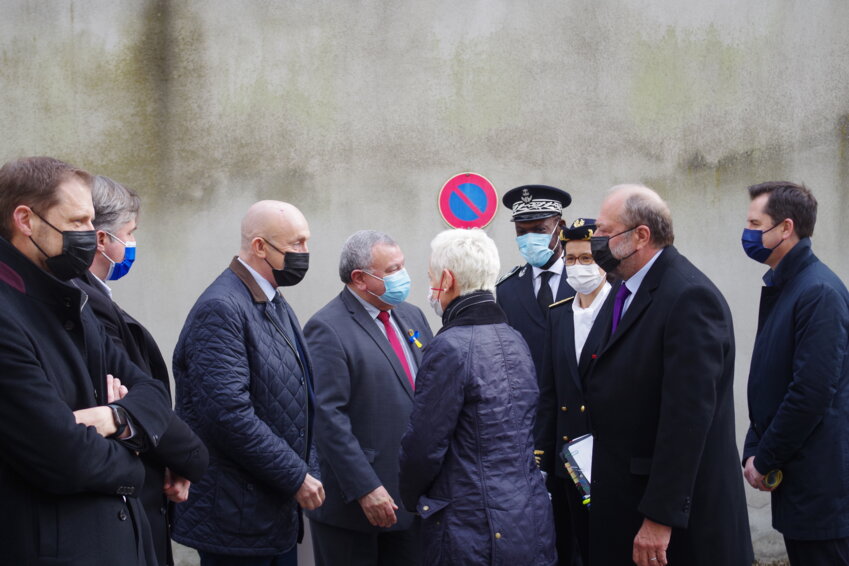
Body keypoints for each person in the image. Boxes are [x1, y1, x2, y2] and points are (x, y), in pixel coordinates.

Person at [0, 156, 173, 565]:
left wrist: (115, 420)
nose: (91, 235)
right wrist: (137, 462)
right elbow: (64, 456)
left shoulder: (68, 299)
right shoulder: (9, 316)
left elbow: (152, 394)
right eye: (78, 221)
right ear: (25, 219)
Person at [584, 184, 752, 566]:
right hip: (625, 497)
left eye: (605, 232)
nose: (596, 240)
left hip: (672, 525)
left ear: (641, 236)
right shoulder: (626, 288)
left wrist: (660, 517)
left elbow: (687, 420)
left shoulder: (688, 298)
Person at [171, 200, 324, 566]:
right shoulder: (222, 308)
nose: (304, 254)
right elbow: (227, 415)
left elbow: (299, 400)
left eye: (306, 243)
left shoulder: (272, 301)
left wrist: (306, 471)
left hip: (269, 511)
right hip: (236, 520)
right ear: (259, 247)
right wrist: (295, 475)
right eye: (296, 244)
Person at [399, 228, 557, 566]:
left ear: (447, 279)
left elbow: (424, 445)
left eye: (431, 278)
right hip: (526, 515)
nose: (431, 289)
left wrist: (411, 498)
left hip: (471, 526)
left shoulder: (448, 347)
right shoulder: (513, 337)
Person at [74, 175, 209, 566]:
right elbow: (137, 393)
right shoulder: (85, 304)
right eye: (129, 234)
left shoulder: (96, 298)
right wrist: (188, 457)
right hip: (124, 499)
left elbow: (142, 397)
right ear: (102, 240)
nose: (132, 244)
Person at [305, 230, 433, 566]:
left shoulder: (411, 315)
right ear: (360, 279)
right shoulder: (327, 328)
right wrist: (366, 487)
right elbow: (328, 418)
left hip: (411, 500)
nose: (402, 277)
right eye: (391, 270)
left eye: (402, 266)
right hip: (357, 509)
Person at [740, 181, 849, 565]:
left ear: (785, 228)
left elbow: (811, 392)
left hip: (821, 491)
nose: (748, 232)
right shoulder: (787, 287)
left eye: (756, 223)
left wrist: (765, 458)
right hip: (800, 485)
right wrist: (755, 447)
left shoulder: (818, 292)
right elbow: (771, 381)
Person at [496, 183, 576, 564]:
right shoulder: (506, 291)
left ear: (559, 226)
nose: (530, 239)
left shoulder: (588, 282)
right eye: (522, 232)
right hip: (527, 427)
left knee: (581, 528)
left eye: (539, 230)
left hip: (579, 422)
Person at [535, 218, 611, 565]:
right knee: (571, 547)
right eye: (570, 259)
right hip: (570, 458)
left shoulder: (622, 310)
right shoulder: (559, 315)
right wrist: (543, 458)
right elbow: (550, 393)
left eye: (586, 258)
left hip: (610, 455)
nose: (578, 267)